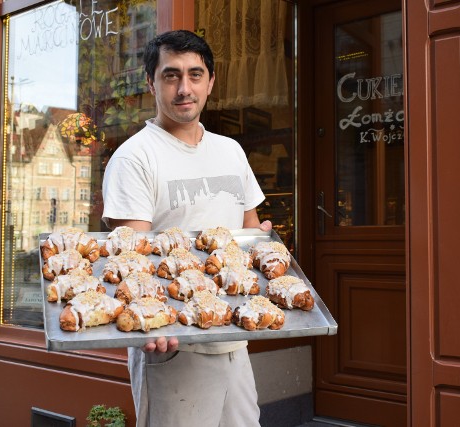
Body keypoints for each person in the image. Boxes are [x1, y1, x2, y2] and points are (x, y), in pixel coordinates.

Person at [102, 29, 272, 427]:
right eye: (171, 75)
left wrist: (264, 246)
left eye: (195, 75)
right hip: (174, 346)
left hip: (233, 336)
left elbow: (248, 229)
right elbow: (132, 259)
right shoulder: (135, 158)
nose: (184, 88)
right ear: (151, 82)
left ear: (211, 82)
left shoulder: (231, 151)